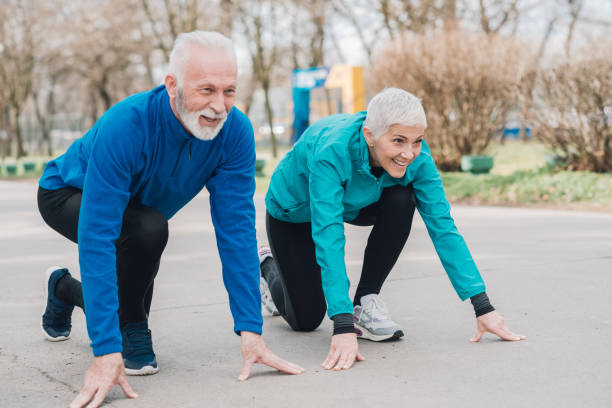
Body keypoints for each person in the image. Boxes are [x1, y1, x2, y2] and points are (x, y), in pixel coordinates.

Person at [37, 31, 303, 408]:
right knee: (145, 229)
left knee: (145, 229)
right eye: (206, 89)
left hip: (140, 211)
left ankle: (62, 288)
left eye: (229, 91)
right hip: (66, 192)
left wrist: (251, 331)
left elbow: (237, 232)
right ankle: (130, 326)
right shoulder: (126, 125)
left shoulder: (234, 133)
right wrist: (105, 350)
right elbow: (99, 237)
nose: (219, 105)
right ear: (172, 85)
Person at [259, 87, 525, 372]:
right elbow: (329, 236)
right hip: (295, 212)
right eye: (398, 141)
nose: (408, 153)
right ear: (370, 135)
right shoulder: (332, 150)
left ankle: (365, 302)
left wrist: (482, 306)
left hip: (357, 200)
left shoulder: (417, 158)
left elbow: (443, 227)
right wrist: (342, 325)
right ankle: (267, 266)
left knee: (401, 199)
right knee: (306, 320)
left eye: (417, 141)